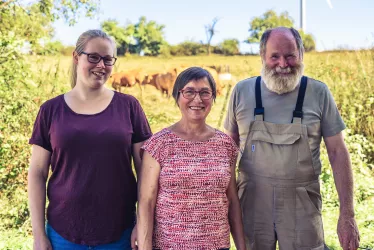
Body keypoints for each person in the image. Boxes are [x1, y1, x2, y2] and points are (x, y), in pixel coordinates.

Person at [224, 26, 360, 250]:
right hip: (251, 201)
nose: (283, 64)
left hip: (302, 204)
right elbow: (227, 150)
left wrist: (347, 214)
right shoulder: (242, 91)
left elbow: (337, 152)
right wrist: (224, 203)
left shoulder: (318, 93)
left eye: (290, 56)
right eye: (274, 57)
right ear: (262, 57)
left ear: (301, 55)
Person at [28, 29, 152, 250]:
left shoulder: (129, 107)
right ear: (76, 58)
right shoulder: (50, 110)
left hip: (120, 233)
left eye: (108, 59)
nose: (101, 65)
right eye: (93, 57)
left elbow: (146, 172)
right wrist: (39, 234)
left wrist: (142, 225)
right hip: (62, 233)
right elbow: (37, 174)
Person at [136, 67, 246, 250]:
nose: (197, 99)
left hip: (217, 245)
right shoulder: (159, 144)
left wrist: (242, 247)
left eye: (205, 92)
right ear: (177, 97)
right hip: (169, 245)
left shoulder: (225, 145)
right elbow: (146, 203)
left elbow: (232, 200)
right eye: (189, 92)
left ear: (213, 97)